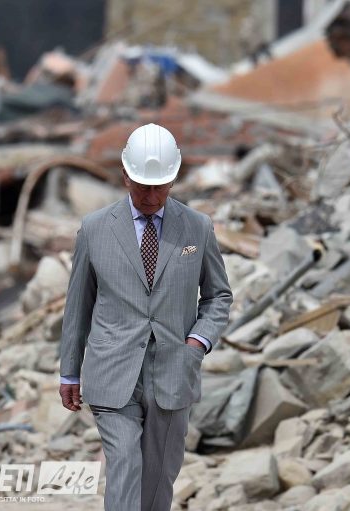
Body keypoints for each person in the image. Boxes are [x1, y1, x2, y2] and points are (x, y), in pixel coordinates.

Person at [58, 123, 232, 511]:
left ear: (173, 178)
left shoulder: (198, 228)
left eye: (160, 186)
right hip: (111, 370)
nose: (151, 197)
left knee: (158, 479)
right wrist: (69, 372)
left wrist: (197, 342)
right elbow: (78, 305)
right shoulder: (95, 229)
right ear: (125, 175)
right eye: (142, 186)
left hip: (173, 370)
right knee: (124, 466)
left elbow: (218, 295)